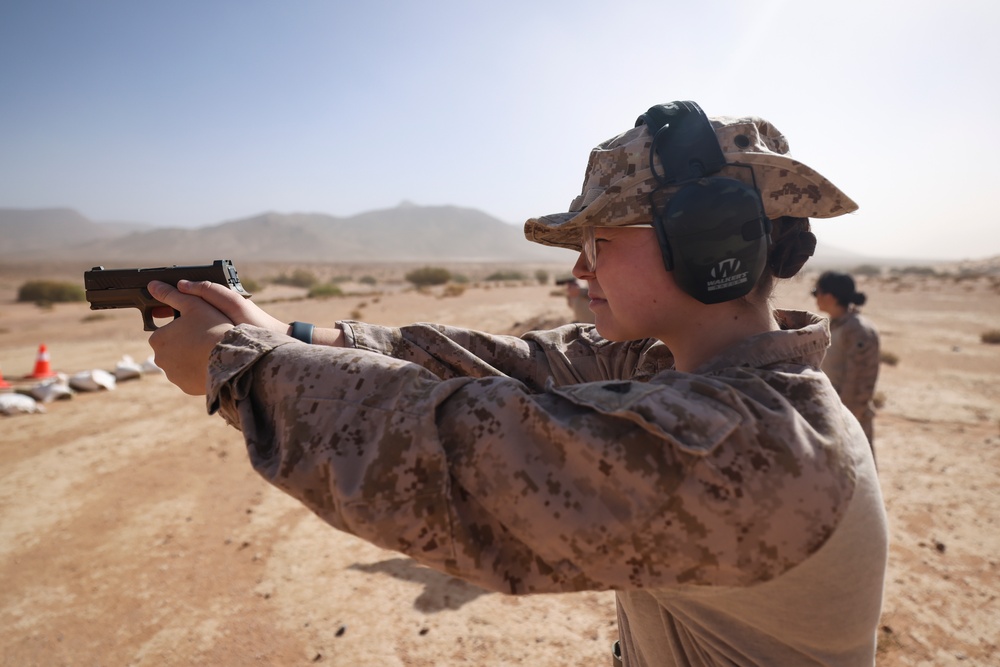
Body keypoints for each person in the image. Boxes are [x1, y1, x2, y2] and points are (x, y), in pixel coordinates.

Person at [147, 100, 888, 666]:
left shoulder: (747, 447)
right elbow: (521, 364)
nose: (580, 271)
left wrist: (239, 366)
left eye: (598, 241)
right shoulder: (691, 370)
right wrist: (288, 334)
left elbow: (451, 458)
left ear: (704, 244)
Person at [813, 270, 881, 457]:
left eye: (815, 291)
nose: (814, 297)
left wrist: (844, 421)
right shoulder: (836, 325)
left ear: (829, 296)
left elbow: (860, 385)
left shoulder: (857, 330)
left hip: (849, 420)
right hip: (833, 415)